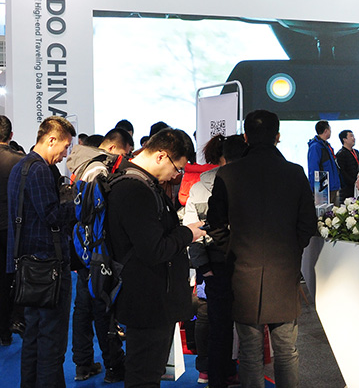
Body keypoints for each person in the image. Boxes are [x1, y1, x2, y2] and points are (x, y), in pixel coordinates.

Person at [207, 110, 317, 388]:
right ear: (277, 136)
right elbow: (308, 224)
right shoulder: (294, 173)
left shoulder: (228, 174)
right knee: (286, 352)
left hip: (243, 273)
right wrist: (292, 249)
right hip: (284, 272)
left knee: (249, 353)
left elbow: (215, 224)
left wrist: (231, 248)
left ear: (246, 137)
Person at [108, 128, 206, 387]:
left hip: (151, 297)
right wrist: (188, 233)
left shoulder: (141, 183)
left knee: (149, 371)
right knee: (144, 374)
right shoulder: (134, 188)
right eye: (177, 168)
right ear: (161, 156)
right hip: (146, 299)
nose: (176, 175)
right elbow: (154, 249)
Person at [6, 116, 76, 388]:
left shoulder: (21, 167)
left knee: (34, 336)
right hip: (47, 267)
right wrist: (74, 203)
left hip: (31, 266)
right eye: (65, 146)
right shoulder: (39, 171)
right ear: (51, 139)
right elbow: (53, 217)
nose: (65, 153)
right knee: (50, 341)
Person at [65, 127, 134, 383]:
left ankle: (83, 363)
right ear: (114, 147)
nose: (125, 159)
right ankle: (113, 365)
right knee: (102, 306)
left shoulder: (83, 165)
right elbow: (98, 213)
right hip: (98, 249)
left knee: (83, 307)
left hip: (83, 247)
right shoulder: (98, 169)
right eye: (125, 153)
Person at [184, 135, 246, 388]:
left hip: (211, 262)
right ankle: (232, 372)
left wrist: (204, 267)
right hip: (241, 262)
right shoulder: (244, 182)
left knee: (214, 321)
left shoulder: (199, 186)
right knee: (242, 324)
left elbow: (191, 231)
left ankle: (212, 375)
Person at [0, 115, 24, 347]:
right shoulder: (20, 161)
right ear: (11, 136)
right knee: (10, 279)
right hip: (11, 230)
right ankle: (7, 329)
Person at [307, 120, 341, 204]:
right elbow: (313, 168)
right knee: (326, 210)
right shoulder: (316, 147)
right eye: (330, 130)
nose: (330, 132)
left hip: (332, 186)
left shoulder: (326, 146)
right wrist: (315, 188)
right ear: (326, 131)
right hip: (324, 188)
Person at [335, 129, 359, 202]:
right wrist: (353, 182)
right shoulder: (341, 154)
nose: (353, 138)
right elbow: (342, 172)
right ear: (344, 139)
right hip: (347, 188)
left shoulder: (356, 152)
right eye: (351, 136)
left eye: (353, 136)